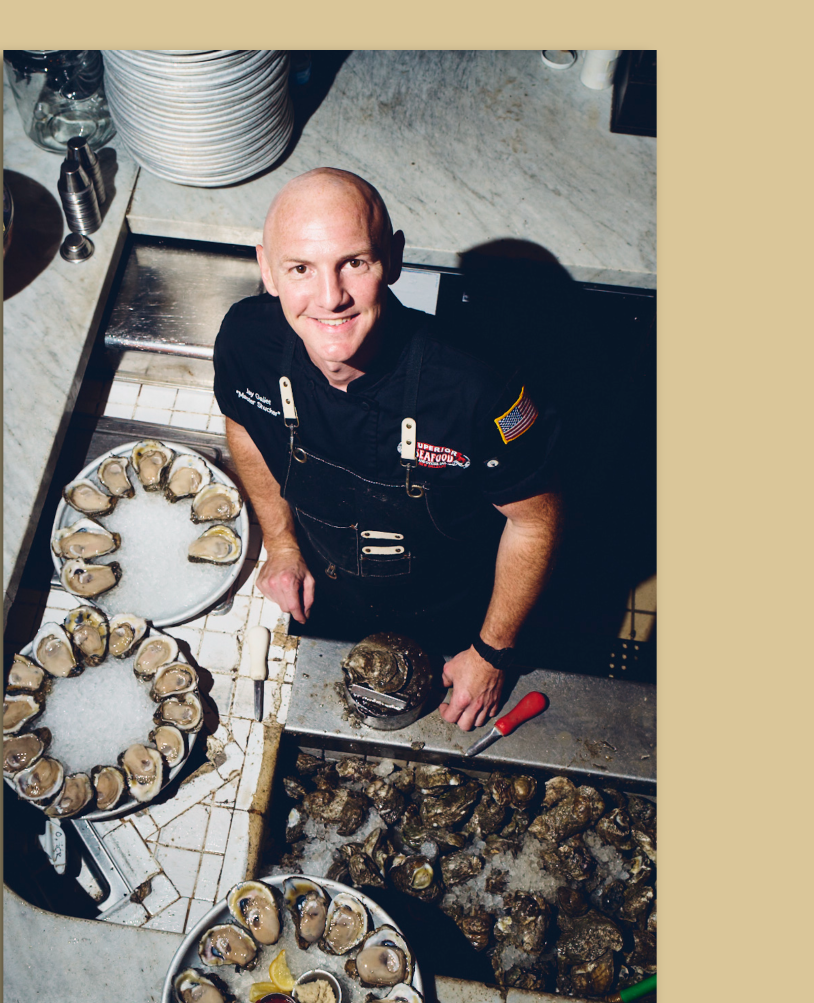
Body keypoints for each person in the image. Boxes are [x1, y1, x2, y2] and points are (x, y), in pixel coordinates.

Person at [213, 168, 563, 732]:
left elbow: (535, 524)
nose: (330, 298)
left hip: (455, 608)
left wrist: (492, 652)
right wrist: (280, 544)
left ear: (393, 259)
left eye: (355, 262)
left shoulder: (478, 388)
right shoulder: (245, 341)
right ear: (267, 269)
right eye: (300, 268)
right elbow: (244, 425)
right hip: (327, 589)